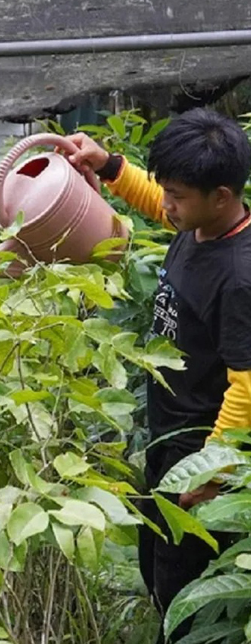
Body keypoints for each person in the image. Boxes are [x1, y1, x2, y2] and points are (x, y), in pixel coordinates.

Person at [68, 108, 251, 642]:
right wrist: (110, 166)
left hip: (200, 455)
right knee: (156, 568)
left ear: (221, 195)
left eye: (177, 195)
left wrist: (208, 473)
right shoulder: (201, 225)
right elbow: (158, 200)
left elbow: (247, 386)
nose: (165, 205)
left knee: (184, 596)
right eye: (165, 190)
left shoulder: (239, 279)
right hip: (170, 439)